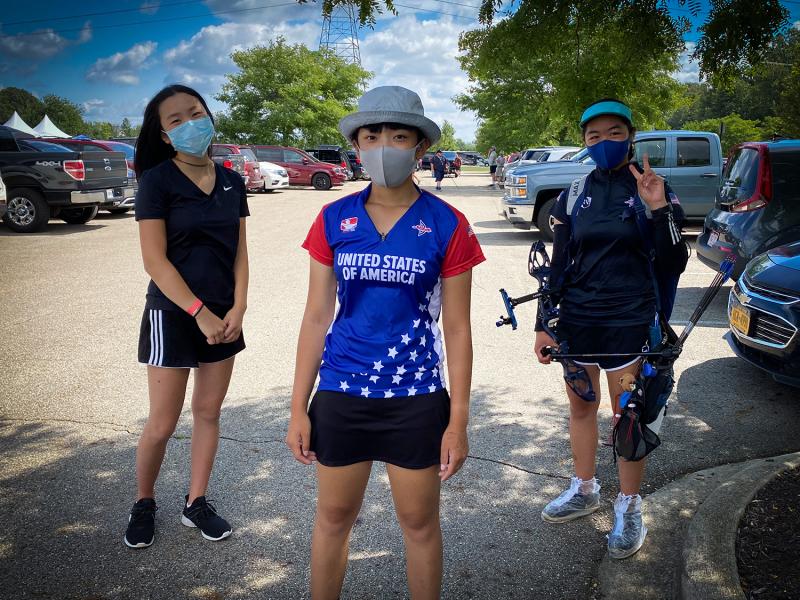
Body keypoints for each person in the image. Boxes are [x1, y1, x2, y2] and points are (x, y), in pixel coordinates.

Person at [286, 85, 485, 599]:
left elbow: (458, 330)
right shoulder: (334, 219)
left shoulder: (448, 224)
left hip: (415, 397)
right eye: (371, 135)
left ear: (420, 149)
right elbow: (314, 317)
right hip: (341, 392)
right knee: (332, 519)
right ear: (356, 146)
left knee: (419, 526)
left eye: (398, 136)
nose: (382, 146)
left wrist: (458, 421)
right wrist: (297, 409)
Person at [533, 98, 688, 559]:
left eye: (613, 133)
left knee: (629, 417)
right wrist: (545, 324)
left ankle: (629, 504)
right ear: (584, 141)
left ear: (631, 136)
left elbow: (675, 260)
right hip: (579, 321)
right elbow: (558, 264)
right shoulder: (574, 190)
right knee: (582, 409)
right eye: (593, 136)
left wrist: (657, 208)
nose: (603, 143)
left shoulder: (653, 186)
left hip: (630, 321)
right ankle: (585, 490)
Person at [124, 84, 250, 549]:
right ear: (163, 134)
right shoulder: (156, 182)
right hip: (173, 314)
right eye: (175, 119)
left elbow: (239, 253)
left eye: (195, 113)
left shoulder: (233, 180)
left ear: (210, 117)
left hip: (224, 316)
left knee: (208, 413)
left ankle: (195, 502)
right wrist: (198, 312)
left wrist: (238, 307)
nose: (189, 123)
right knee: (162, 421)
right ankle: (143, 502)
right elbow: (154, 260)